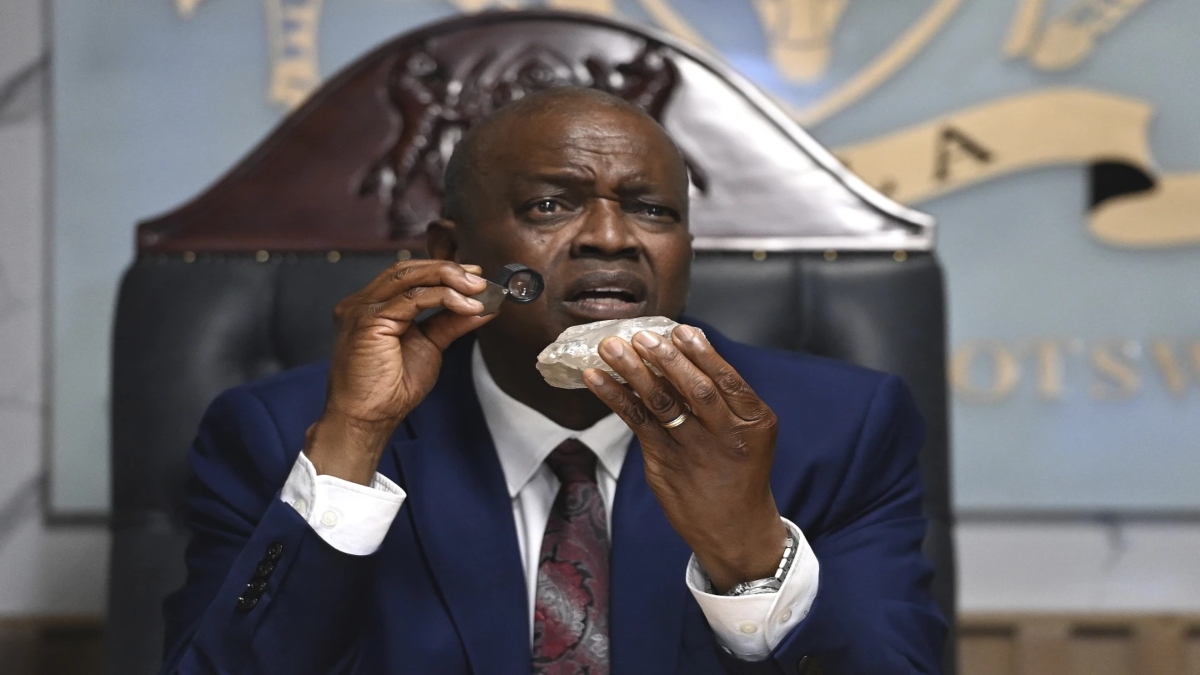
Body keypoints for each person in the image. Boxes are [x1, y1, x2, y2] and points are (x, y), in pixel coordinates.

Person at [160, 86, 944, 675]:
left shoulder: (836, 429)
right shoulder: (283, 431)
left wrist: (750, 558)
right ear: (452, 252)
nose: (611, 237)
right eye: (549, 205)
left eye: (652, 210)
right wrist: (351, 448)